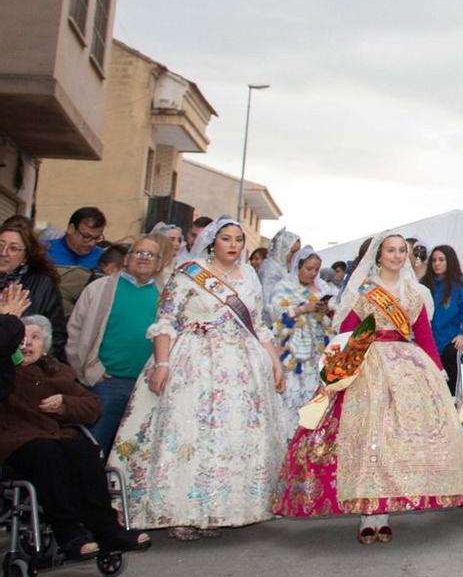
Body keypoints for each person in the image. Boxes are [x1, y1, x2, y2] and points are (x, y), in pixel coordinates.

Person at [272, 233, 463, 543]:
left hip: (408, 366)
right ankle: (370, 513)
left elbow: (422, 333)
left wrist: (437, 371)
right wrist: (340, 366)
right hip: (369, 365)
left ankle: (385, 509)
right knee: (370, 435)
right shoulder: (365, 290)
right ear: (379, 256)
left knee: (398, 439)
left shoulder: (415, 293)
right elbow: (346, 330)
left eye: (401, 251)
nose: (396, 256)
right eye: (390, 250)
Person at [112, 218, 286, 539]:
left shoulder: (249, 275)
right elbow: (165, 321)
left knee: (231, 439)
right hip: (194, 364)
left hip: (242, 368)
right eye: (225, 238)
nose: (233, 245)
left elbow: (259, 325)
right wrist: (162, 364)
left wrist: (274, 362)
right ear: (211, 241)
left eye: (238, 239)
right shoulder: (189, 273)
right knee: (190, 436)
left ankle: (219, 510)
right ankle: (182, 512)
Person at [0, 315, 150, 557]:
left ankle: (107, 528)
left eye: (34, 338)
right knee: (47, 453)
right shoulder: (6, 374)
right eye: (21, 339)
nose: (26, 344)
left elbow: (92, 406)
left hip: (55, 436)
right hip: (15, 441)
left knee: (83, 449)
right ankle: (69, 533)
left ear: (45, 344)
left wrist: (65, 404)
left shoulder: (55, 370)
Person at [66, 230, 167, 449]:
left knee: (137, 451)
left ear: (159, 264)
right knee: (94, 448)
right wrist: (90, 371)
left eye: (151, 255)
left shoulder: (166, 295)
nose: (143, 257)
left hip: (148, 386)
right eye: (138, 252)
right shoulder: (99, 289)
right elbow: (75, 332)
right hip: (106, 383)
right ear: (127, 258)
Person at [267, 249, 333, 416]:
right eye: (308, 268)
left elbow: (337, 308)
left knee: (315, 386)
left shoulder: (323, 287)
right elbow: (275, 312)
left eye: (316, 269)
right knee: (293, 386)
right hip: (292, 347)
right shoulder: (285, 286)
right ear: (298, 267)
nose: (312, 273)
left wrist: (327, 308)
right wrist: (303, 308)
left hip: (318, 344)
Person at [0, 216, 68, 361]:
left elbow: (56, 336)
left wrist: (36, 364)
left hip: (25, 370)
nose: (3, 252)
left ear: (25, 257)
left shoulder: (42, 284)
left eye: (13, 248)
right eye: (0, 245)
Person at [422, 244, 463, 395]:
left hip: (452, 337)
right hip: (431, 337)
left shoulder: (460, 283)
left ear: (450, 261)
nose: (437, 264)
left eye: (441, 260)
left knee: (451, 355)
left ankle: (454, 403)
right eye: (433, 260)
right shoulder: (425, 284)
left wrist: (462, 333)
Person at [43, 206, 107, 270]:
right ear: (71, 229)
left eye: (97, 238)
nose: (92, 244)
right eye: (86, 237)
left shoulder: (103, 258)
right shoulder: (43, 251)